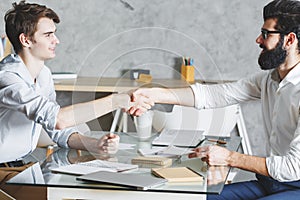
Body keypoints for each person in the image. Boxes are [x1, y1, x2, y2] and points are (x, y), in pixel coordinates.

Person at [129, 0, 300, 199]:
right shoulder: (269, 80)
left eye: (265, 34)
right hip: (270, 183)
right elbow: (214, 95)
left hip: (295, 185)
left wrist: (229, 158)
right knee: (200, 198)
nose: (258, 40)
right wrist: (155, 94)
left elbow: (292, 168)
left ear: (289, 40)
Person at [0, 1, 152, 198]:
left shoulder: (43, 74)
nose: (57, 40)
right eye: (48, 35)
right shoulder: (8, 78)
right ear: (26, 40)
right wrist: (115, 101)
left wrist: (95, 144)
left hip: (22, 168)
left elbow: (57, 130)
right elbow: (58, 119)